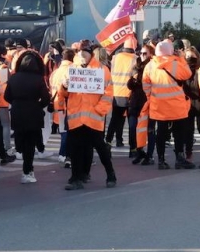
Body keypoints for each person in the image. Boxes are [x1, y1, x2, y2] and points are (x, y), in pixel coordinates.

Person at [60, 40, 116, 190]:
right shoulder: (71, 69)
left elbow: (108, 93)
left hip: (93, 118)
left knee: (101, 147)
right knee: (75, 148)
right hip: (76, 117)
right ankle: (75, 177)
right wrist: (64, 86)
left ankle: (111, 174)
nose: (82, 54)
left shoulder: (102, 70)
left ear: (91, 53)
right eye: (80, 52)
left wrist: (99, 110)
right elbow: (63, 93)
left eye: (85, 51)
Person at [142, 40, 194, 169]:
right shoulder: (175, 63)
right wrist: (181, 58)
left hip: (158, 105)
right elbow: (188, 74)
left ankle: (161, 160)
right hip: (176, 104)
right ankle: (179, 159)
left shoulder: (150, 65)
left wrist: (151, 97)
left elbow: (146, 84)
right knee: (178, 133)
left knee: (161, 133)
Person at [5, 51, 50, 184]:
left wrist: (16, 102)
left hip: (17, 111)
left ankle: (19, 151)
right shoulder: (38, 79)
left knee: (20, 136)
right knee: (30, 144)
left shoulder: (14, 77)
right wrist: (38, 105)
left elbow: (7, 96)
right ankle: (27, 171)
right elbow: (46, 98)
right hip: (33, 112)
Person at [106, 37, 137, 149]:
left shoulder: (115, 58)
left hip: (117, 93)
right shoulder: (135, 59)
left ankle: (108, 141)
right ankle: (133, 148)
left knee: (114, 120)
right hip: (130, 94)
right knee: (132, 122)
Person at [129, 44, 156, 165]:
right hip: (135, 101)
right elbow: (130, 85)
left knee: (149, 130)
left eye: (145, 53)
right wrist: (132, 80)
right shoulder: (136, 65)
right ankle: (140, 152)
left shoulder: (152, 66)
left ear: (151, 54)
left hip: (147, 102)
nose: (142, 55)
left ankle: (149, 155)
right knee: (133, 127)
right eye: (141, 53)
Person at [182, 47, 200, 163]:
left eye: (192, 57)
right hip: (188, 102)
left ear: (197, 57)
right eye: (187, 57)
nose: (189, 59)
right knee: (188, 130)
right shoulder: (183, 70)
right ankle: (188, 153)